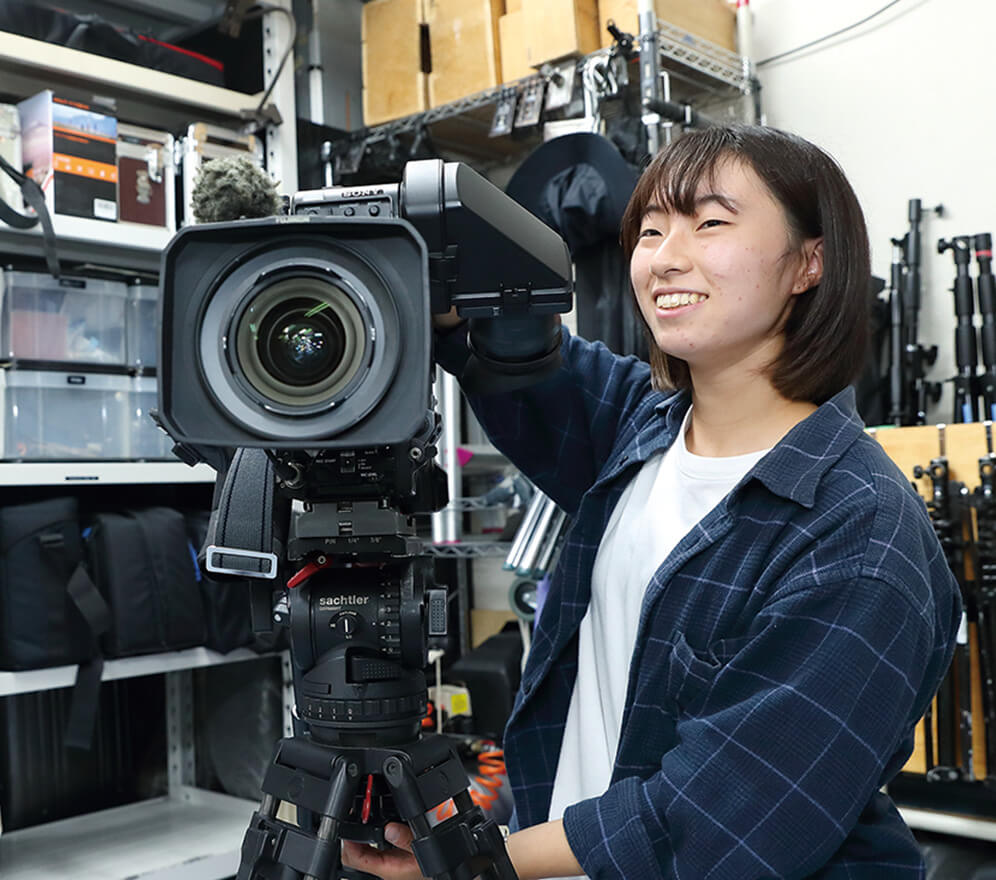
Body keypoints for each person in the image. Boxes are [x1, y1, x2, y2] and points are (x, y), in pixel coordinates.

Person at [342, 125, 961, 879]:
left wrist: (476, 862)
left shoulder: (858, 535)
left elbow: (714, 820)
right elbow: (530, 370)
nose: (665, 256)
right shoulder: (647, 426)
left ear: (809, 263)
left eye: (710, 222)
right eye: (652, 228)